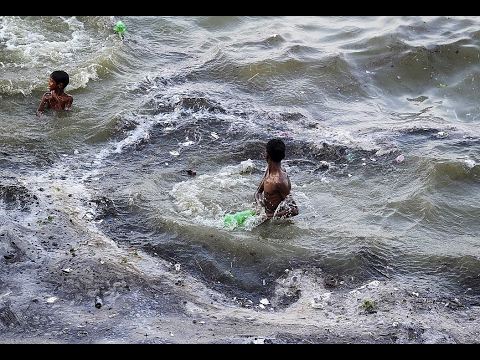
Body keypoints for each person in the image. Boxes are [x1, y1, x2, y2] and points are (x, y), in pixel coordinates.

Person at [254, 138, 299, 219]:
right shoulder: (269, 171)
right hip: (266, 214)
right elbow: (257, 193)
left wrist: (267, 216)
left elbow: (294, 210)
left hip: (273, 221)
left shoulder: (279, 182)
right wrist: (259, 206)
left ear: (266, 155)